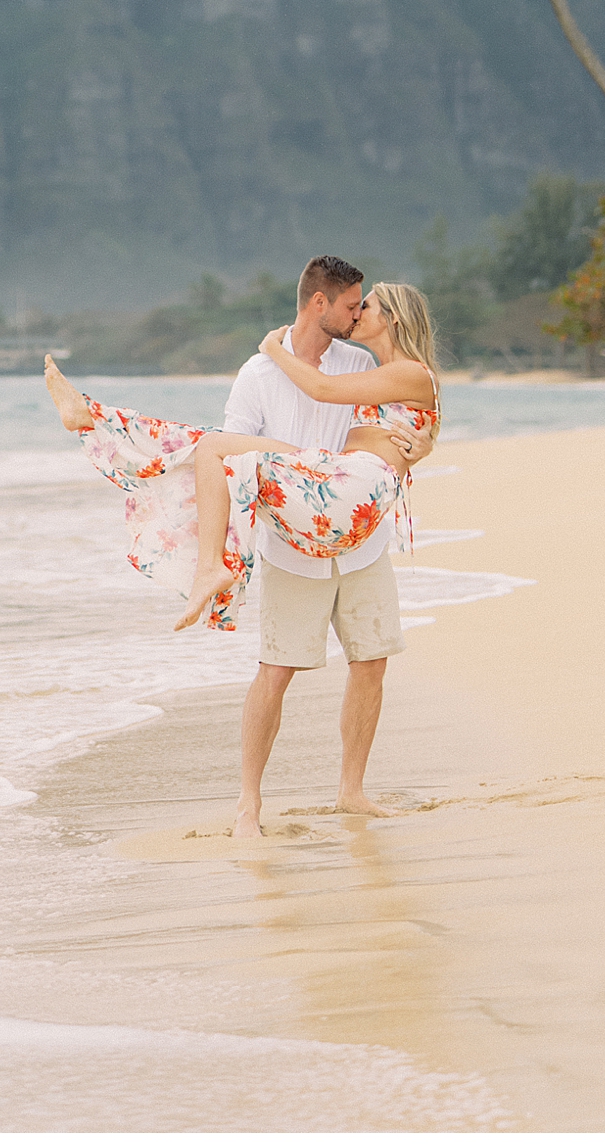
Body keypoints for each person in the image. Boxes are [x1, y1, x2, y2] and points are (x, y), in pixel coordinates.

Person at [43, 254, 440, 838]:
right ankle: (247, 803)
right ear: (318, 304)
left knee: (371, 663)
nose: (358, 315)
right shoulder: (258, 373)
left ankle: (351, 790)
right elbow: (257, 445)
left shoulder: (358, 361)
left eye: (367, 307)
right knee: (275, 670)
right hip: (296, 526)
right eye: (353, 306)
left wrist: (422, 443)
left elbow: (392, 414)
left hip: (351, 524)